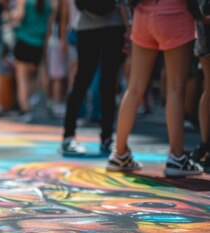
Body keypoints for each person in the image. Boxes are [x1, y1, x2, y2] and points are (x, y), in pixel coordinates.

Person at [107, 0, 203, 177]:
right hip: (175, 13)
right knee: (175, 88)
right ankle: (177, 156)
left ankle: (119, 153)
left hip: (143, 14)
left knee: (134, 88)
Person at [60, 0, 128, 155]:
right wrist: (128, 27)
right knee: (108, 83)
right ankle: (107, 138)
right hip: (113, 25)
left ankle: (69, 135)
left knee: (82, 81)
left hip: (87, 26)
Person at [11, 0, 54, 122]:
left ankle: (25, 108)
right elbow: (49, 26)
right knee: (35, 77)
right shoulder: (48, 3)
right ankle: (43, 103)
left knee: (22, 79)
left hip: (24, 40)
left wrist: (10, 14)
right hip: (39, 43)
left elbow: (18, 16)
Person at [192, 18, 210, 173]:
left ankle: (205, 144)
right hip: (204, 26)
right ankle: (205, 145)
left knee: (209, 86)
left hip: (203, 25)